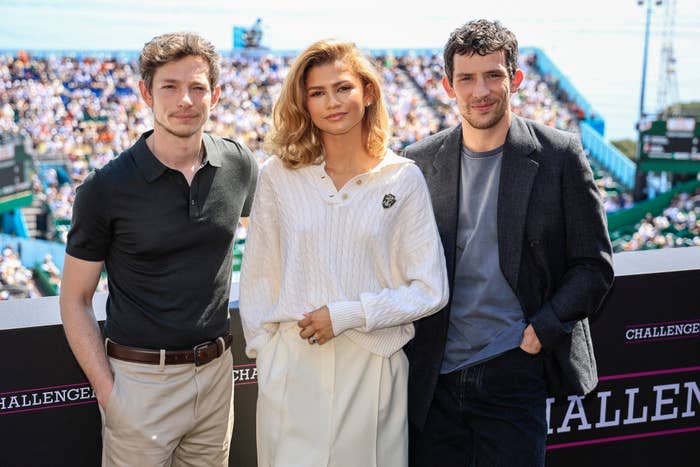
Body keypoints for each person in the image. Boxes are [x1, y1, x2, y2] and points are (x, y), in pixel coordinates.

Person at [403, 19, 614, 467]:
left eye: (493, 75)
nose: (480, 90)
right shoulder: (418, 161)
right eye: (467, 78)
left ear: (515, 79)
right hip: (433, 380)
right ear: (447, 86)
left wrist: (541, 332)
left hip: (513, 371)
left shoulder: (560, 155)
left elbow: (594, 267)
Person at [239, 39, 448, 467]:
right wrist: (269, 356)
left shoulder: (403, 179)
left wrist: (348, 314)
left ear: (367, 93)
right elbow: (258, 275)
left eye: (343, 88)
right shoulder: (278, 177)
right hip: (292, 368)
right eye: (317, 93)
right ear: (304, 103)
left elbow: (430, 289)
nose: (332, 102)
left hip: (373, 366)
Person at [59, 32, 258, 467]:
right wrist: (110, 394)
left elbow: (275, 241)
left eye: (198, 87)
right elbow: (74, 300)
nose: (185, 99)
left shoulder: (239, 164)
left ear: (216, 95)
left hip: (218, 376)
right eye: (170, 86)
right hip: (140, 383)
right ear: (146, 93)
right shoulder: (105, 188)